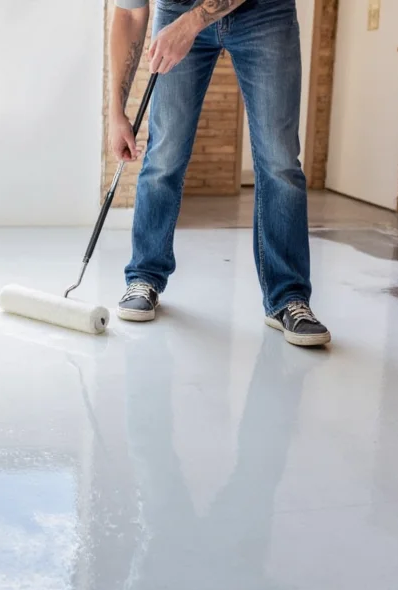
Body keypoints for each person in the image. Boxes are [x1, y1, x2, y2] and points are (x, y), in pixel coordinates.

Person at [109, 0, 331, 347]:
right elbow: (129, 14)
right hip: (176, 9)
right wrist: (116, 111)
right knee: (164, 153)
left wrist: (192, 23)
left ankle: (287, 298)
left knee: (279, 159)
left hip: (265, 12)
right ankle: (144, 276)